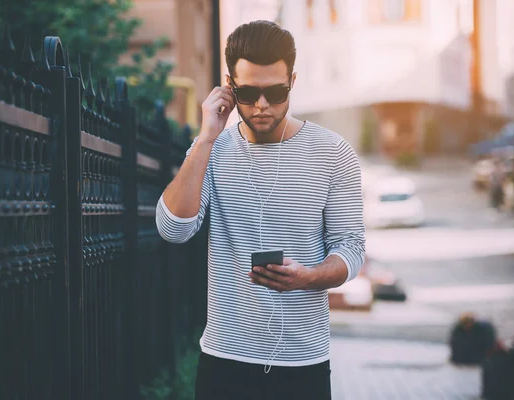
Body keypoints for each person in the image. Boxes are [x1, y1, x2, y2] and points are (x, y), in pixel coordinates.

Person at [156, 20, 365, 400]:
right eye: (249, 92)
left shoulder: (333, 154)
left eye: (276, 91)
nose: (263, 105)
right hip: (224, 360)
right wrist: (205, 138)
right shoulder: (212, 150)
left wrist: (308, 276)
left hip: (303, 363)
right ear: (229, 87)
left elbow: (350, 247)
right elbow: (174, 229)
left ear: (293, 82)